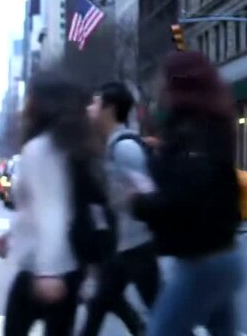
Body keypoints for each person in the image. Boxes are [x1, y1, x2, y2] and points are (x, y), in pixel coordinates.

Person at [132, 51, 243, 336]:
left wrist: (140, 202)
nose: (159, 86)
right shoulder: (206, 124)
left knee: (161, 331)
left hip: (203, 260)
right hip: (216, 255)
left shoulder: (194, 131)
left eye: (165, 80)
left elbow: (186, 195)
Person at [0, 72, 98, 336]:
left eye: (31, 97)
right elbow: (54, 205)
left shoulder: (41, 149)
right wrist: (13, 236)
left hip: (43, 268)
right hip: (69, 266)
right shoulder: (72, 146)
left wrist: (49, 271)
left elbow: (53, 210)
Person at [79, 82, 160, 336]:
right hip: (124, 248)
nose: (89, 108)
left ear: (109, 108)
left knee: (165, 319)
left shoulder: (125, 148)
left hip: (139, 248)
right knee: (97, 307)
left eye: (95, 102)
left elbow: (147, 196)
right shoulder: (111, 146)